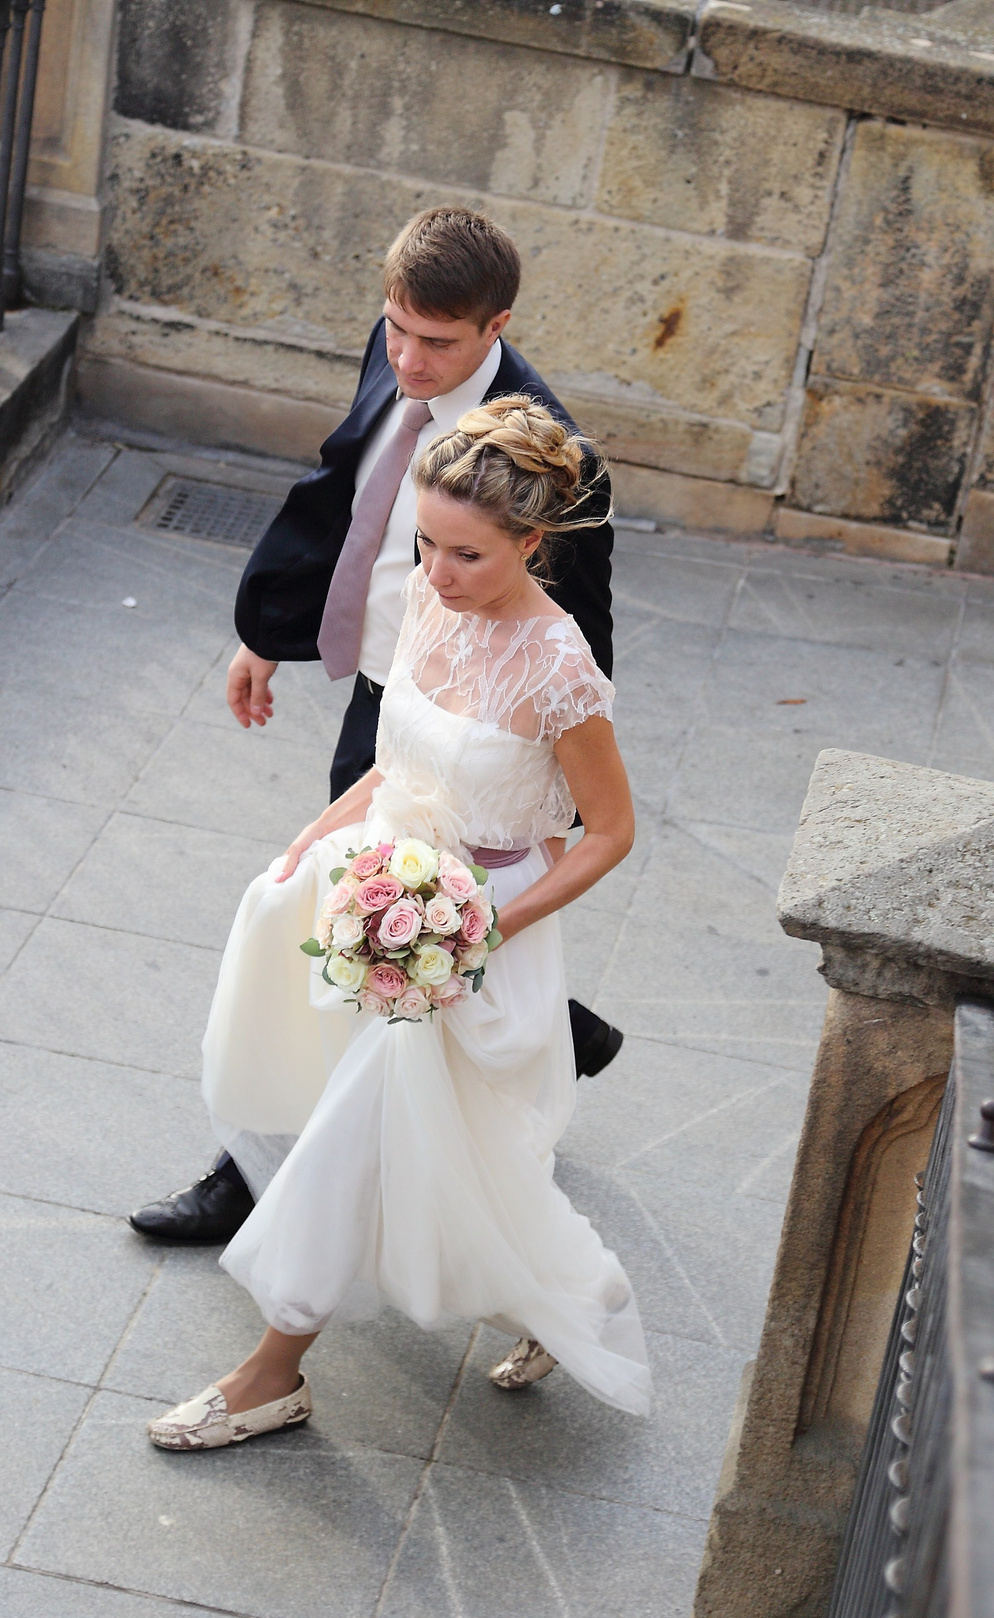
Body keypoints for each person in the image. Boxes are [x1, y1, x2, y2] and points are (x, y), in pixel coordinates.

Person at [147, 397, 651, 1449]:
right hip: (378, 883)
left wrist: (489, 933)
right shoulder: (429, 600)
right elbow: (398, 752)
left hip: (474, 932)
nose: (436, 572)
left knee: (359, 1134)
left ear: (531, 541)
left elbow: (608, 833)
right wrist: (313, 838)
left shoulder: (561, 671)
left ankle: (272, 1371)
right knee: (433, 1150)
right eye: (424, 543)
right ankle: (577, 1292)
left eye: (466, 553)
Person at [129, 207, 625, 1246]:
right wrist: (265, 630)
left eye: (435, 343)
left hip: (471, 718)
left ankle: (256, 1181)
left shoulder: (559, 461)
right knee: (345, 918)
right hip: (386, 699)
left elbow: (581, 634)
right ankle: (541, 1033)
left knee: (364, 943)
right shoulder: (395, 351)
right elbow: (337, 489)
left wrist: (557, 792)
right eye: (394, 327)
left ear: (496, 326)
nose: (406, 357)